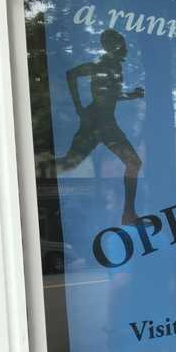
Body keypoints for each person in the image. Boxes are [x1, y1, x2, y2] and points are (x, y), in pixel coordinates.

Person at [56, 29, 144, 225]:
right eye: (115, 43)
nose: (121, 46)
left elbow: (112, 96)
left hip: (108, 122)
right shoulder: (101, 64)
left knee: (134, 163)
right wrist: (79, 108)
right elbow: (71, 74)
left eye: (118, 42)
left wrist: (132, 96)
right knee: (70, 164)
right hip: (95, 120)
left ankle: (129, 215)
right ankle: (32, 175)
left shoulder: (115, 68)